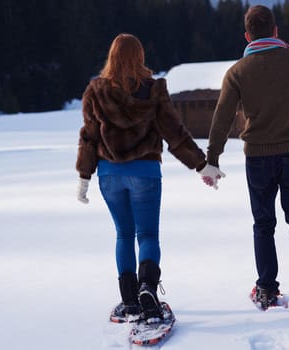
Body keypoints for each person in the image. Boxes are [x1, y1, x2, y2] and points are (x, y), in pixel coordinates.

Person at [75, 33, 219, 323]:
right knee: (148, 235)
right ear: (140, 57)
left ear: (111, 57)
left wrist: (83, 176)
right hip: (146, 172)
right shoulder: (153, 90)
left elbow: (89, 136)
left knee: (124, 235)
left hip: (110, 174)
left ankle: (129, 300)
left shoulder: (96, 90)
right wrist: (202, 166)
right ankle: (147, 290)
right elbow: (174, 133)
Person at [203, 5, 289, 316]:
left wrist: (212, 159)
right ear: (276, 31)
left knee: (263, 225)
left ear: (248, 36)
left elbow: (221, 119)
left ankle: (266, 287)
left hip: (258, 158)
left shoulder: (237, 72)